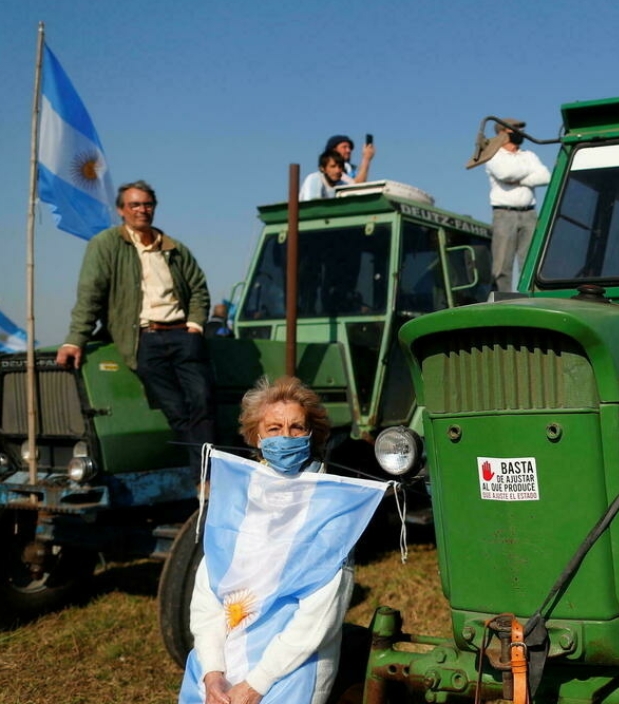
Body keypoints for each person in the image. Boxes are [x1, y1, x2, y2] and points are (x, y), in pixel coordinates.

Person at [181, 375, 384, 704]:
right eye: (274, 428)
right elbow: (208, 598)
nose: (285, 437)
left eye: (296, 428)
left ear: (311, 435)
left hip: (290, 671)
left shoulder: (329, 506)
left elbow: (320, 616)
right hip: (222, 670)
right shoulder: (237, 502)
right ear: (257, 437)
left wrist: (254, 685)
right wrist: (213, 673)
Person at [56, 180, 215, 467]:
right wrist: (75, 339)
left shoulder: (175, 249)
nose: (142, 210)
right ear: (121, 210)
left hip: (183, 335)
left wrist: (195, 326)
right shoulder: (105, 245)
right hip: (144, 339)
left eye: (147, 204)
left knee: (202, 401)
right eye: (135, 205)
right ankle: (205, 473)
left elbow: (198, 290)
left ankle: (206, 476)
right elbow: (90, 294)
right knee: (175, 409)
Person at [483, 119, 550, 292]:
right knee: (502, 265)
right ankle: (501, 305)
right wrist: (528, 173)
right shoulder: (493, 154)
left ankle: (533, 300)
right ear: (502, 133)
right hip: (504, 214)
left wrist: (517, 179)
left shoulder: (528, 155)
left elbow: (545, 176)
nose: (520, 132)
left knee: (532, 262)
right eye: (515, 129)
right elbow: (505, 173)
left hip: (529, 214)